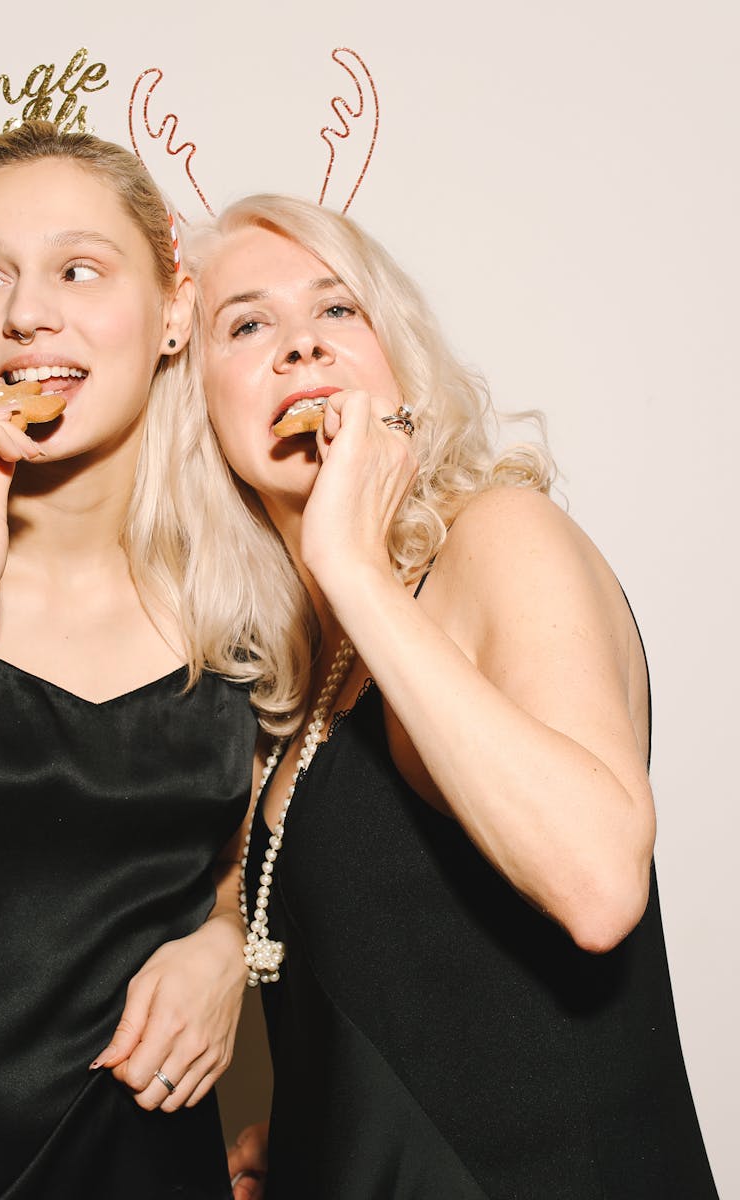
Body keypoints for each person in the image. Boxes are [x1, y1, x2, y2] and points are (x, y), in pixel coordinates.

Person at [189, 195, 720, 1199]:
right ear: (198, 405)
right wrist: (308, 1136)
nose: (302, 346)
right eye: (247, 323)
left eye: (337, 311)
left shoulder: (497, 537)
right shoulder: (299, 689)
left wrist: (349, 563)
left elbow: (598, 882)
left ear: (398, 365)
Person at [0, 122, 258, 1199]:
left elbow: (244, 860)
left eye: (78, 268)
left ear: (173, 312)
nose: (28, 311)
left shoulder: (245, 597)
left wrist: (227, 945)